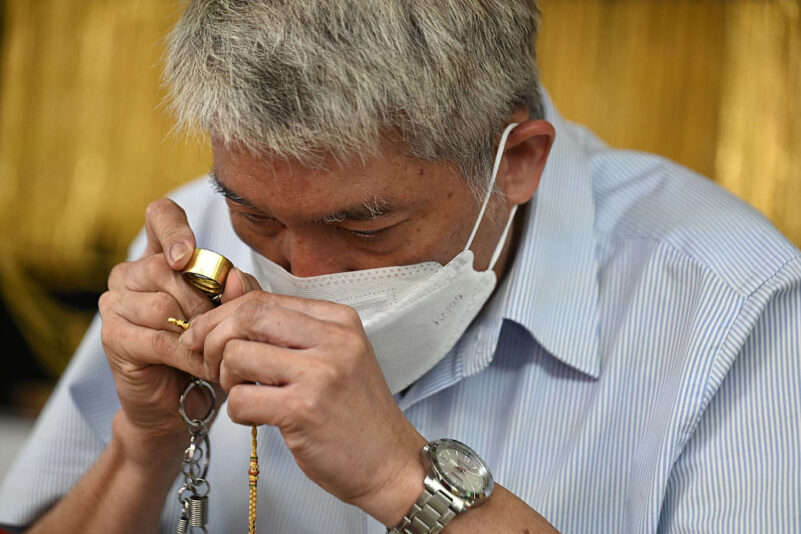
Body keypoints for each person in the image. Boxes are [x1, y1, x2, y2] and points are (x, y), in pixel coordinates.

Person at [1, 1, 799, 532]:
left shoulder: (730, 304)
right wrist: (143, 448)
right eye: (259, 216)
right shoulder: (200, 235)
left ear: (516, 162)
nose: (302, 270)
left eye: (364, 223)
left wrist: (405, 479)